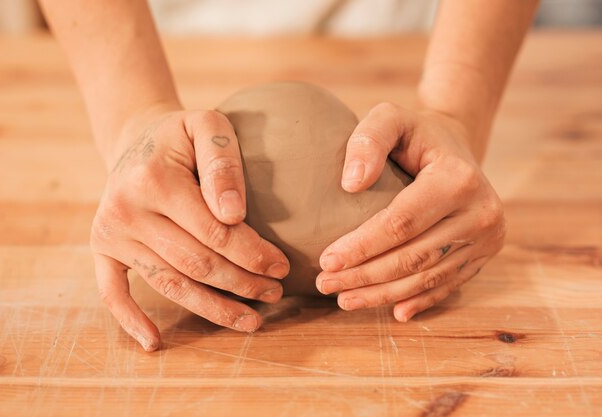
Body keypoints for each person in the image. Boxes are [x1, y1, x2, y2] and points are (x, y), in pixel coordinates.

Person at [37, 0, 539, 351]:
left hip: (412, 29)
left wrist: (455, 115)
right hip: (172, 29)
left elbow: (450, 126)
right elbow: (137, 122)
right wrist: (135, 119)